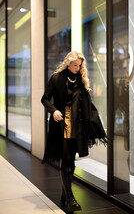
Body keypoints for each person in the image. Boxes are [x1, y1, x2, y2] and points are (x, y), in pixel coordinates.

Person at [41, 51, 107, 212]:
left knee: (72, 160)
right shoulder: (57, 78)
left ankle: (65, 194)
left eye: (80, 65)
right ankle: (70, 197)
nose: (78, 68)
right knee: (66, 157)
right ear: (68, 63)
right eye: (75, 65)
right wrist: (53, 110)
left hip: (78, 125)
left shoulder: (81, 80)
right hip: (62, 122)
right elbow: (45, 98)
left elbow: (87, 104)